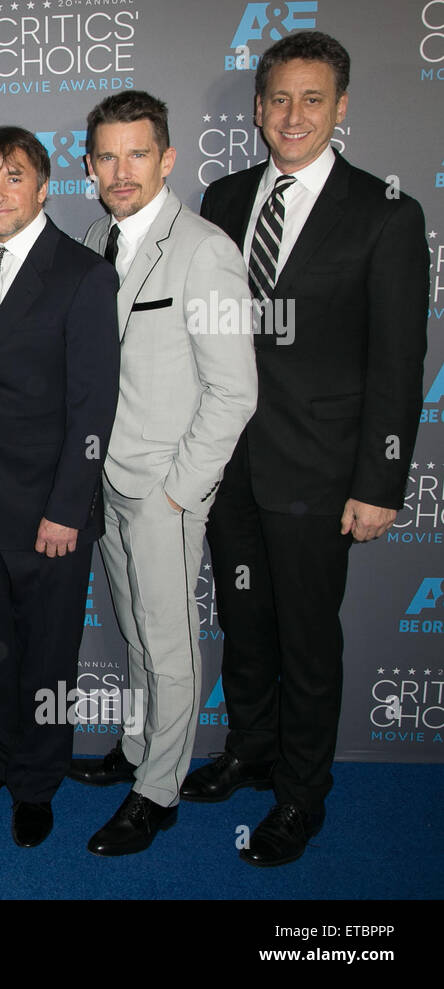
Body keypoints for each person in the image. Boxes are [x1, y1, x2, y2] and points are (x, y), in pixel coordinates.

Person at [187, 31, 428, 866]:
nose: (293, 116)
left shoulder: (387, 213)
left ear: (342, 108)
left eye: (312, 99)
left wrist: (380, 481)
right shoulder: (221, 198)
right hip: (229, 462)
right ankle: (249, 750)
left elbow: (400, 362)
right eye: (279, 99)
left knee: (308, 640)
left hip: (322, 473)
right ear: (257, 109)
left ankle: (301, 793)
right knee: (245, 621)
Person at [63, 92, 257, 856]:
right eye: (106, 156)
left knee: (170, 642)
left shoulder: (204, 249)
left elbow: (234, 390)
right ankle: (140, 747)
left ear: (167, 159)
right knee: (138, 631)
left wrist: (181, 489)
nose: (121, 170)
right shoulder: (92, 236)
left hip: (165, 487)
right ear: (89, 166)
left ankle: (159, 791)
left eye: (137, 153)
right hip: (104, 481)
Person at [0, 127, 120, 848]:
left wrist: (67, 508)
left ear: (45, 187)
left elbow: (93, 404)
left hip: (49, 510)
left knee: (47, 653)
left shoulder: (81, 273)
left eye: (14, 176)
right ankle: (4, 751)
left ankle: (39, 778)